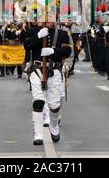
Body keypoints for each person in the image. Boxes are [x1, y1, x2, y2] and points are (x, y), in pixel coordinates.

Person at [23, 13, 72, 145]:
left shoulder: (61, 34)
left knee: (54, 105)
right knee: (38, 101)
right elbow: (26, 46)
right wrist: (38, 36)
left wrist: (52, 51)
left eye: (50, 17)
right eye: (45, 17)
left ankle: (54, 126)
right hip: (37, 70)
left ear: (55, 19)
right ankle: (38, 133)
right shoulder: (34, 31)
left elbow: (67, 51)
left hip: (54, 71)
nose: (47, 19)